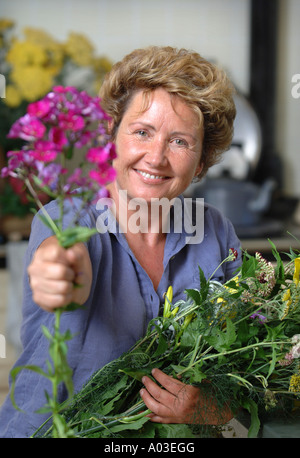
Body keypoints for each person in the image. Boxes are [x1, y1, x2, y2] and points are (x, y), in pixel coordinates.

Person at [0, 46, 241, 437]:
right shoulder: (68, 217)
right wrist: (57, 275)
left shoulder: (214, 231)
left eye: (180, 141)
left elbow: (241, 362)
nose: (156, 158)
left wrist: (214, 407)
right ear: (111, 135)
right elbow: (64, 264)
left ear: (201, 162)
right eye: (142, 132)